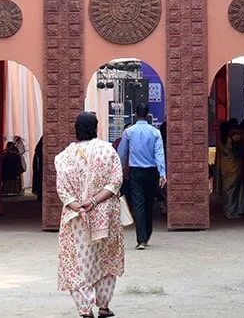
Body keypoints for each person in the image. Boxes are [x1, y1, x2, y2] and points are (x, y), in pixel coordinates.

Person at [56, 111, 125, 318]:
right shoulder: (107, 151)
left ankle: (85, 309)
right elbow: (116, 181)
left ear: (76, 129)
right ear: (96, 128)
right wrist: (94, 201)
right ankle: (103, 306)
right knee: (106, 259)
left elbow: (62, 190)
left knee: (78, 263)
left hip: (76, 218)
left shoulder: (64, 156)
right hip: (105, 215)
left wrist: (79, 206)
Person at [116, 102, 166, 249]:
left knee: (138, 203)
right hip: (151, 171)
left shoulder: (129, 132)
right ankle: (147, 233)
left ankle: (141, 239)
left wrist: (118, 171)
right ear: (148, 115)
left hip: (135, 171)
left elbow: (122, 153)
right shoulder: (155, 132)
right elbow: (159, 154)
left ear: (135, 115)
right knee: (149, 202)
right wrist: (162, 173)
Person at [216, 119, 244, 219]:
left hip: (225, 167)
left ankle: (227, 211)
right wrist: (236, 130)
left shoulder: (220, 139)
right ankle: (231, 211)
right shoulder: (233, 137)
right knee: (234, 190)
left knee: (227, 191)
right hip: (234, 166)